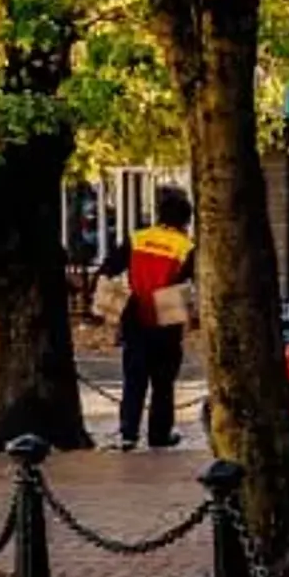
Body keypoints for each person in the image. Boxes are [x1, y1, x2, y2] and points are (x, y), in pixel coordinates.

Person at [102, 185, 196, 451]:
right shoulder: (186, 247)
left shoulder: (138, 238)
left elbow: (109, 268)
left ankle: (129, 432)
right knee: (163, 382)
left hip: (135, 311)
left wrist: (111, 310)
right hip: (168, 309)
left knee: (134, 377)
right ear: (185, 221)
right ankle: (159, 435)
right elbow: (189, 282)